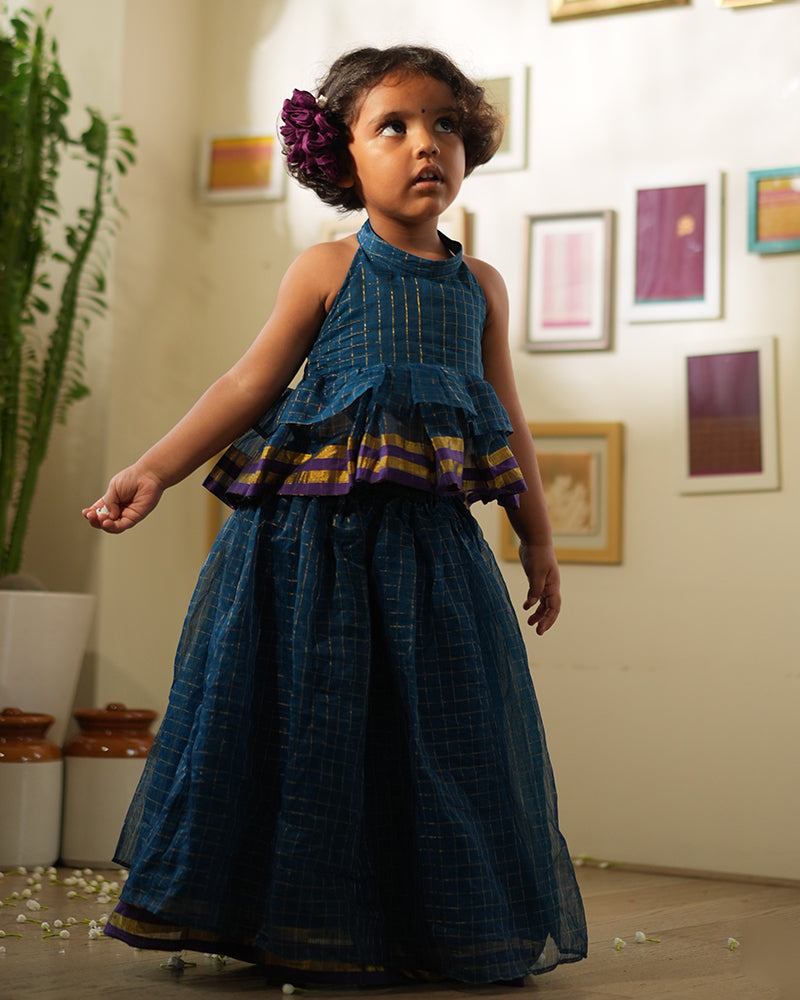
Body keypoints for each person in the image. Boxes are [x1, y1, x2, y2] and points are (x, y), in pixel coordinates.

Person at [84, 44, 587, 987]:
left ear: (469, 145)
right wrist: (152, 468)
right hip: (308, 555)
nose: (422, 144)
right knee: (312, 725)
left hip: (435, 563)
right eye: (391, 126)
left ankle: (427, 923)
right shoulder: (326, 269)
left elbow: (507, 417)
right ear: (344, 156)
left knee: (440, 736)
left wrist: (541, 538)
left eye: (444, 123)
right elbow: (247, 382)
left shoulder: (479, 288)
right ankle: (295, 922)